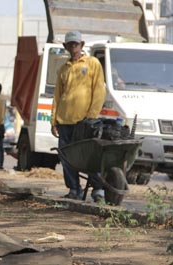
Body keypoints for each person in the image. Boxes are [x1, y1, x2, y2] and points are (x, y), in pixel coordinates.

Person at [50, 30, 106, 201]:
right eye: (70, 44)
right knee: (66, 158)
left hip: (85, 122)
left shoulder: (92, 63)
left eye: (76, 44)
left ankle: (98, 189)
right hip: (65, 121)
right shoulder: (63, 68)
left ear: (82, 45)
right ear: (66, 46)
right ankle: (74, 189)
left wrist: (91, 116)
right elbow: (57, 96)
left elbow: (99, 91)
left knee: (89, 157)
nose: (74, 47)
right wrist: (54, 121)